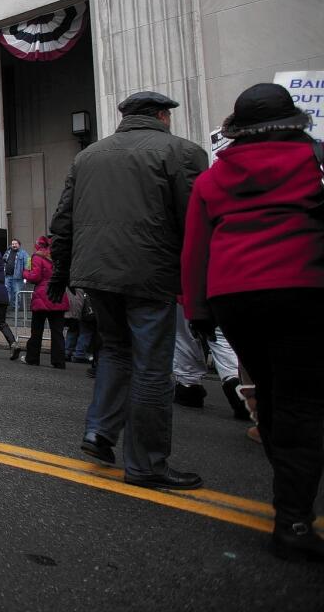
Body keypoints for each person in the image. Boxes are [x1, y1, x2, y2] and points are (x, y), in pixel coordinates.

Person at [181, 83, 324, 561]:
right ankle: (294, 516)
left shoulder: (212, 179)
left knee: (272, 395)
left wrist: (197, 311)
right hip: (303, 287)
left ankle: (292, 504)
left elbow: (195, 249)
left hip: (234, 297)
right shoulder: (316, 164)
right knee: (302, 404)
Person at [49, 90, 208, 490]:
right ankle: (147, 464)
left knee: (116, 352)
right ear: (161, 116)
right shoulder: (183, 153)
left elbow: (62, 222)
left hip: (95, 274)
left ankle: (99, 432)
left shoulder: (87, 157)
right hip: (150, 272)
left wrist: (61, 272)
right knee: (152, 366)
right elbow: (196, 224)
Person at [20, 235, 67, 368]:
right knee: (57, 332)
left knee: (37, 330)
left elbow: (35, 276)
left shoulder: (37, 257)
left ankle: (32, 358)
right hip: (58, 295)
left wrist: (25, 273)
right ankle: (59, 361)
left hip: (42, 296)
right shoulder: (58, 257)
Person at [4, 238, 28, 310]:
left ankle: (16, 308)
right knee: (6, 291)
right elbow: (3, 261)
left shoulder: (24, 253)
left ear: (19, 245)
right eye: (13, 244)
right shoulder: (7, 252)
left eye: (15, 244)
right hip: (7, 276)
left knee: (16, 292)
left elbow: (28, 263)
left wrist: (26, 273)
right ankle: (6, 307)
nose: (14, 245)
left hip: (18, 277)